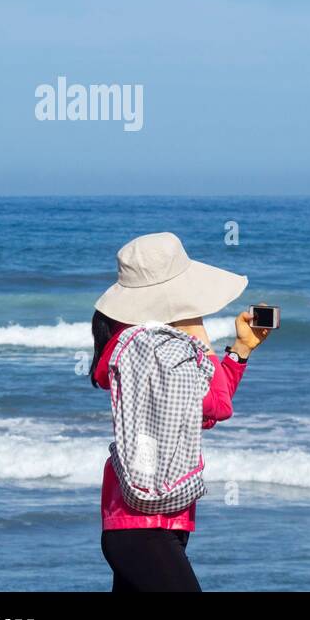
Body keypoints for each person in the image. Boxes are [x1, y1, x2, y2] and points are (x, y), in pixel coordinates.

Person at [88, 232, 270, 591]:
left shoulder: (141, 347)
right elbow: (219, 404)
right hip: (146, 529)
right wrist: (197, 336)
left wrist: (239, 351)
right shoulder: (155, 350)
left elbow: (203, 411)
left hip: (142, 523)